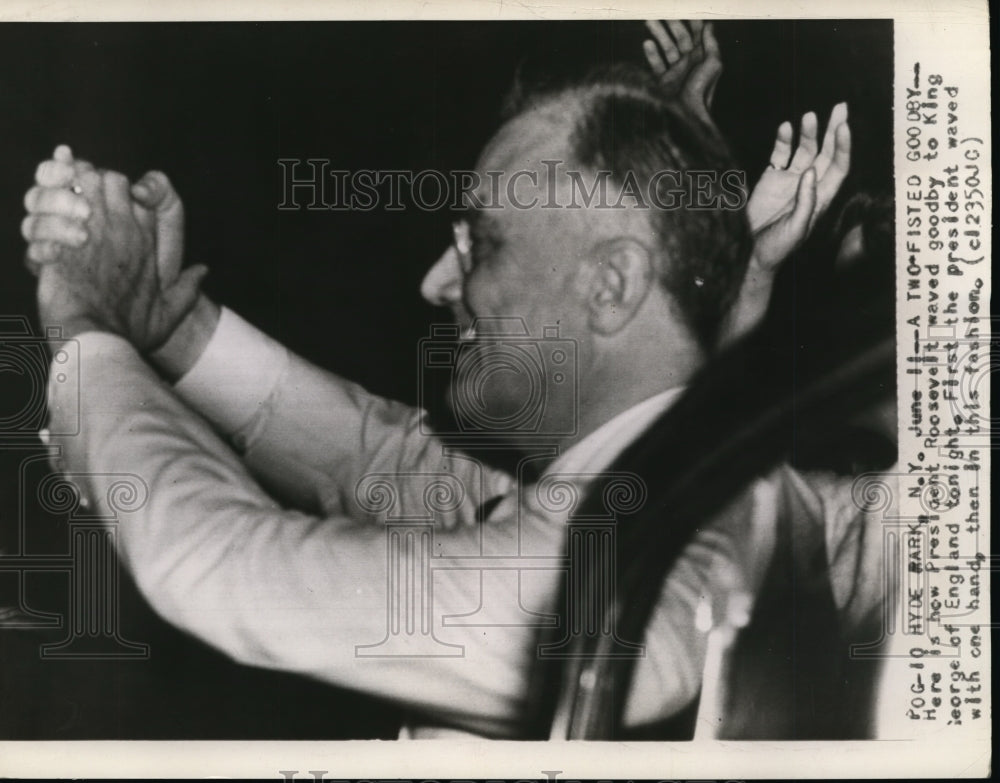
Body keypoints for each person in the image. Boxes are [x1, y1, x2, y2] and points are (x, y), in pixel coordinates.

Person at [20, 22, 872, 738]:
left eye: (480, 245)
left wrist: (90, 333)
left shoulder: (626, 580)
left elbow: (218, 566)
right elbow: (383, 463)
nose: (437, 283)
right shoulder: (690, 492)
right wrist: (168, 323)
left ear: (611, 283)